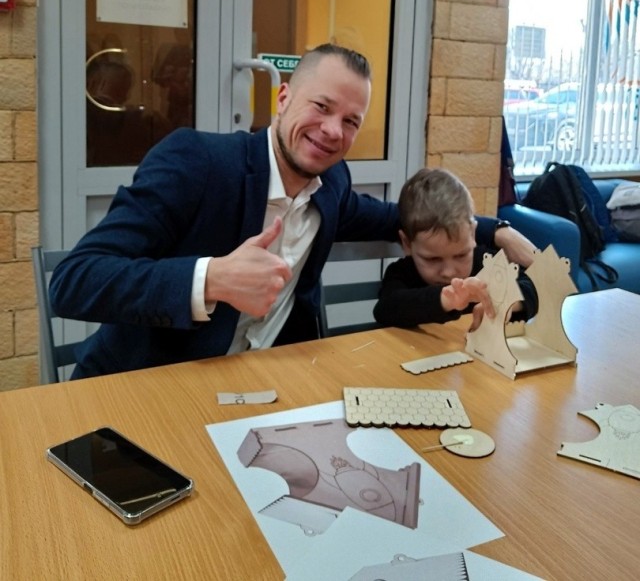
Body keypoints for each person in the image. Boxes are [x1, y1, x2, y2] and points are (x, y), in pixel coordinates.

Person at [51, 43, 536, 378]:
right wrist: (212, 278)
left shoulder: (332, 185)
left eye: (351, 121)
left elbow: (402, 219)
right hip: (153, 385)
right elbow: (75, 280)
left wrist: (495, 230)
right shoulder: (197, 162)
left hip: (272, 383)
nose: (333, 130)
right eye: (321, 106)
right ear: (282, 99)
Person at [373, 167, 538, 330]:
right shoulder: (402, 274)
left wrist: (507, 301)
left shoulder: (486, 262)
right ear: (407, 243)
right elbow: (386, 309)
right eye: (433, 259)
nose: (449, 272)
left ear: (472, 234)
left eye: (460, 255)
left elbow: (533, 287)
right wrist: (448, 299)